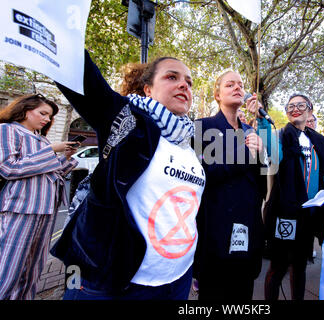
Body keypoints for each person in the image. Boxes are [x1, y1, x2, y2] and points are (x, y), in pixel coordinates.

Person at [51, 51, 205, 300]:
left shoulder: (191, 141)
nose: (183, 85)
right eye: (171, 77)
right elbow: (81, 76)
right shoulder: (126, 119)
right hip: (114, 282)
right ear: (147, 89)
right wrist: (61, 23)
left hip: (178, 279)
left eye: (189, 82)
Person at [256, 93, 324, 300]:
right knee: (278, 267)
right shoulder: (281, 136)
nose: (295, 108)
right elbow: (271, 150)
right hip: (286, 214)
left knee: (300, 265)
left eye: (301, 105)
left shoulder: (319, 141)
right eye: (291, 106)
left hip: (310, 216)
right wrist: (261, 118)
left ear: (310, 110)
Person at [193, 71, 267, 300]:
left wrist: (261, 154)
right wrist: (246, 154)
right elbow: (202, 176)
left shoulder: (250, 131)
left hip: (247, 229)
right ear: (217, 94)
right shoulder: (202, 127)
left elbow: (261, 186)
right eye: (229, 84)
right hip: (214, 233)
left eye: (241, 84)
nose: (237, 88)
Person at [0, 94, 78, 300]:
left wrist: (66, 158)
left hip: (46, 208)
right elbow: (8, 168)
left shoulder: (41, 139)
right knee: (11, 268)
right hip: (21, 208)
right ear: (25, 110)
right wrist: (51, 150)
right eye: (42, 113)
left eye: (49, 116)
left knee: (32, 269)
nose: (46, 119)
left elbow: (48, 173)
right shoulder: (8, 130)